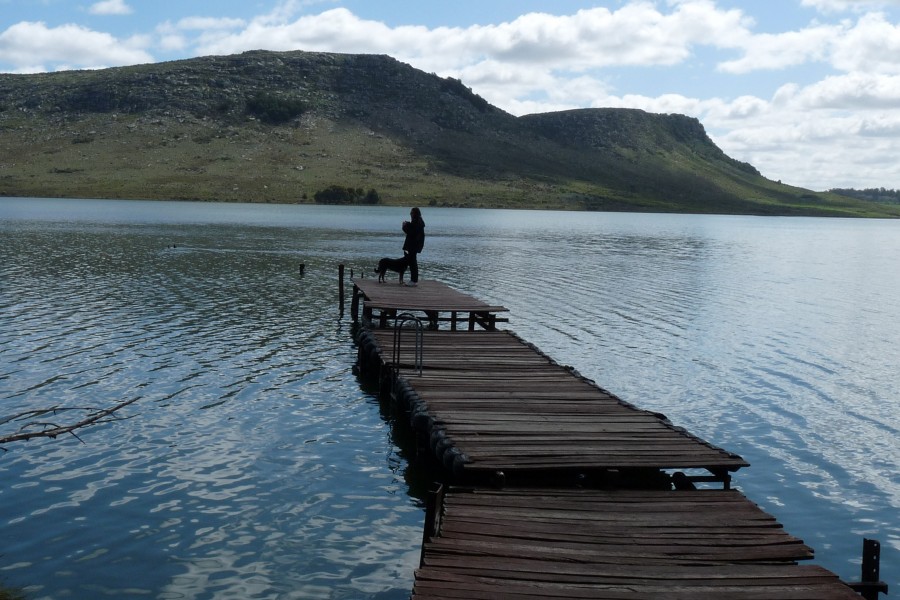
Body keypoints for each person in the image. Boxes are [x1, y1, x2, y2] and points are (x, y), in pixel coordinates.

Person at [402, 207, 425, 286]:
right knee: (413, 262)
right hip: (415, 245)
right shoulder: (418, 221)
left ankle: (413, 280)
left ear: (415, 214)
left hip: (413, 245)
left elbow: (411, 232)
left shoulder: (417, 222)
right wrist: (408, 224)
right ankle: (414, 280)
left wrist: (404, 226)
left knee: (412, 263)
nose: (410, 214)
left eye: (411, 213)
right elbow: (413, 228)